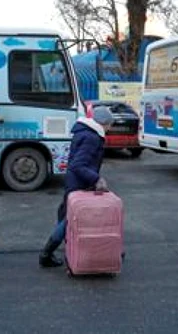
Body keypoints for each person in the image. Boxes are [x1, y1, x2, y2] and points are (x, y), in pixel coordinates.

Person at [38, 106, 115, 267]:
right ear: (103, 123)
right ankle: (47, 253)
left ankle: (68, 249)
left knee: (66, 215)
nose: (110, 127)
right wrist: (96, 178)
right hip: (80, 185)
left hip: (75, 182)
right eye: (110, 124)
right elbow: (78, 165)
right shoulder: (92, 138)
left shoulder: (84, 132)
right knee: (68, 220)